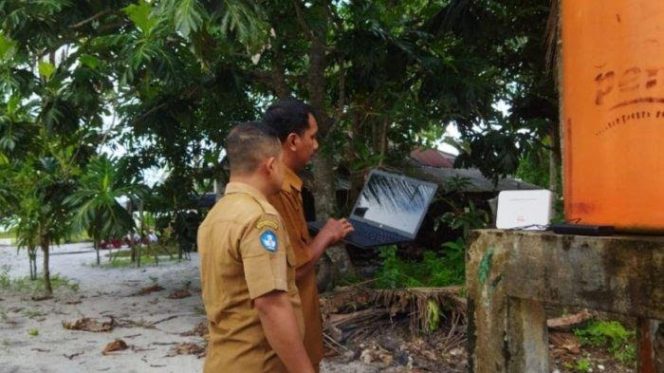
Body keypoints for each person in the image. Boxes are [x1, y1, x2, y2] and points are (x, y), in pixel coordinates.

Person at [197, 122, 313, 373]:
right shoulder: (260, 219)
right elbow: (271, 305)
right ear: (271, 166)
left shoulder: (215, 216)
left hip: (222, 361)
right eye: (281, 163)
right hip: (257, 364)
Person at [263, 98, 354, 371]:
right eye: (312, 137)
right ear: (293, 140)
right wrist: (326, 236)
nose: (315, 146)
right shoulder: (277, 192)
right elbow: (295, 269)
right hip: (288, 346)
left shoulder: (290, 186)